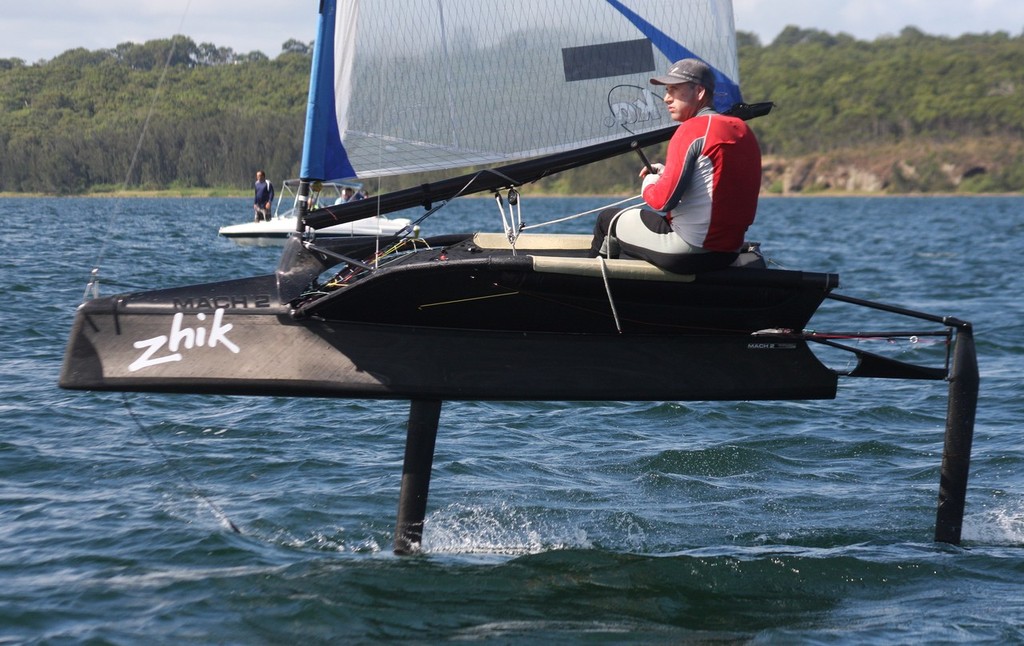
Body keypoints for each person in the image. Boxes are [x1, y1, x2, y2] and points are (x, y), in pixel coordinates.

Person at [589, 58, 762, 273]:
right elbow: (714, 180)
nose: (666, 98)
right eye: (666, 90)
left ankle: (596, 292)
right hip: (728, 253)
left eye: (674, 90)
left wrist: (650, 182)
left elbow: (662, 202)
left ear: (699, 92)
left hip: (687, 253)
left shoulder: (691, 129)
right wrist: (665, 172)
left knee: (607, 219)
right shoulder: (743, 130)